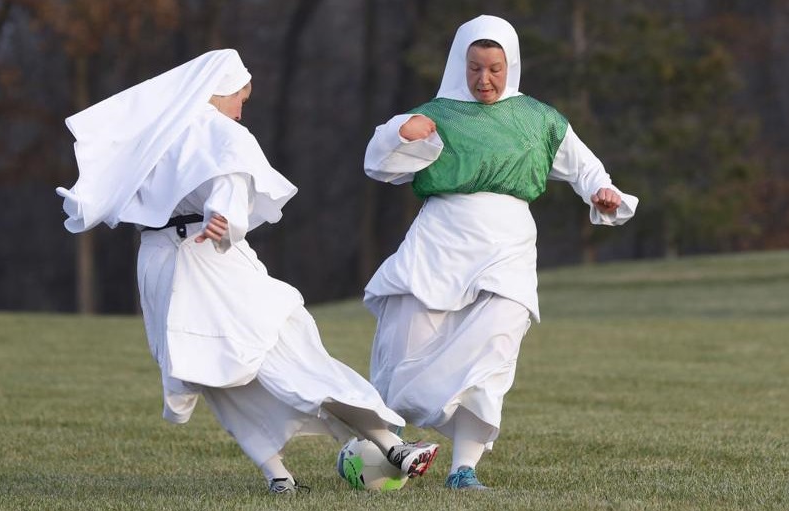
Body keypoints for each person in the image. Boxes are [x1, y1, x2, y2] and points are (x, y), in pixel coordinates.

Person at [56, 49, 437, 495]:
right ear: (221, 90)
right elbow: (230, 182)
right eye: (241, 98)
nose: (240, 110)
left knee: (219, 378)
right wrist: (224, 217)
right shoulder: (221, 132)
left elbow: (118, 185)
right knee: (291, 356)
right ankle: (392, 447)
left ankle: (279, 477)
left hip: (159, 263)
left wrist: (219, 217)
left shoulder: (156, 129)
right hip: (210, 260)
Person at [361, 16, 639, 490]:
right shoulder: (437, 114)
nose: (484, 79)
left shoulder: (539, 119)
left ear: (511, 64)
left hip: (508, 246)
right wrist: (401, 132)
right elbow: (379, 163)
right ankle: (389, 444)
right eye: (474, 68)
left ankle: (463, 469)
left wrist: (603, 193)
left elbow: (587, 169)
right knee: (407, 349)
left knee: (493, 351)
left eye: (494, 68)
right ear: (460, 64)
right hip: (439, 242)